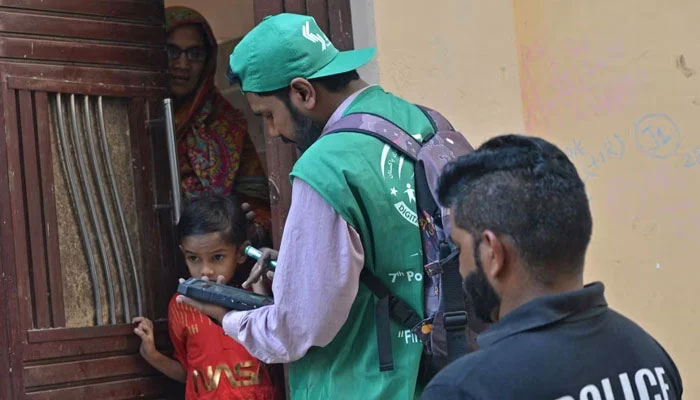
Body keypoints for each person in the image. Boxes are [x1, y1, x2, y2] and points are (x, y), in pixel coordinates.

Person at [178, 13, 457, 399]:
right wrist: (298, 264)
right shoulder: (426, 124)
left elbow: (298, 327)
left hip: (364, 384)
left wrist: (232, 319)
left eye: (268, 116)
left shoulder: (325, 165)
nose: (273, 133)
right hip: (447, 376)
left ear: (303, 92)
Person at [421, 135, 683, 399]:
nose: (461, 267)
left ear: (492, 252)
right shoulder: (651, 358)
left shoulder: (463, 389)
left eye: (458, 247)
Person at [133, 195, 281, 399]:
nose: (205, 270)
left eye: (217, 257)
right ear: (182, 253)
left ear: (240, 253)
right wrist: (152, 355)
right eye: (193, 258)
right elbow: (189, 374)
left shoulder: (254, 296)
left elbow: (279, 348)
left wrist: (259, 290)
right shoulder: (181, 305)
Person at [165, 7, 270, 242]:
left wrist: (252, 226)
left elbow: (258, 205)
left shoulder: (226, 122)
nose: (182, 64)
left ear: (208, 59)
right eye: (172, 51)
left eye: (195, 54)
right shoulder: (135, 118)